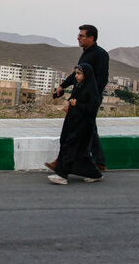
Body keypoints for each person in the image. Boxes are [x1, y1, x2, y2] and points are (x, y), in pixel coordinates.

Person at [47, 24, 109, 171]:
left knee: (77, 129)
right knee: (87, 128)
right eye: (79, 35)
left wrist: (89, 97)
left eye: (81, 36)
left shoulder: (100, 55)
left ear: (91, 38)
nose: (78, 38)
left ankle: (63, 163)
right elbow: (77, 74)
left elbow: (101, 80)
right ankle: (98, 163)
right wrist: (63, 86)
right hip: (80, 96)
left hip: (89, 99)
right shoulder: (85, 53)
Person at [48, 63, 103, 185]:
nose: (76, 76)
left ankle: (62, 175)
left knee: (69, 148)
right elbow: (74, 99)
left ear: (86, 75)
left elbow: (92, 109)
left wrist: (76, 104)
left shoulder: (91, 90)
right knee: (80, 153)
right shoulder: (79, 86)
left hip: (82, 126)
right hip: (73, 123)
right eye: (76, 73)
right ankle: (95, 173)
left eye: (79, 73)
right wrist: (70, 103)